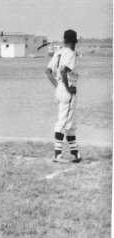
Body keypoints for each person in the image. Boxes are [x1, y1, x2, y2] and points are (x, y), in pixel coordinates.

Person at [46, 29, 81, 163]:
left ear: (65, 40)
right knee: (63, 123)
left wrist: (59, 86)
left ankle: (75, 154)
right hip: (67, 89)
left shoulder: (58, 52)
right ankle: (57, 155)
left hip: (60, 88)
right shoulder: (70, 53)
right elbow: (63, 70)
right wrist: (66, 87)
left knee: (70, 123)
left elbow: (48, 71)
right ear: (74, 41)